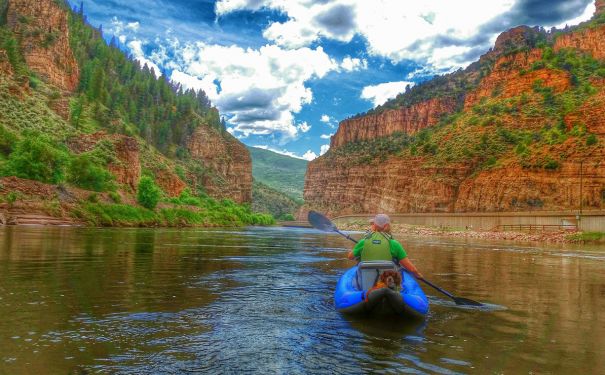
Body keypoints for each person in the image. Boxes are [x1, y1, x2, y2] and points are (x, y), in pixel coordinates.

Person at [347, 214, 423, 279]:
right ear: (388, 226)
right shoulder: (394, 244)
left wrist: (355, 250)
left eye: (373, 224)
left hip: (366, 282)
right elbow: (411, 268)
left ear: (374, 226)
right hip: (388, 282)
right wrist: (417, 274)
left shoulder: (363, 242)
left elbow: (350, 257)